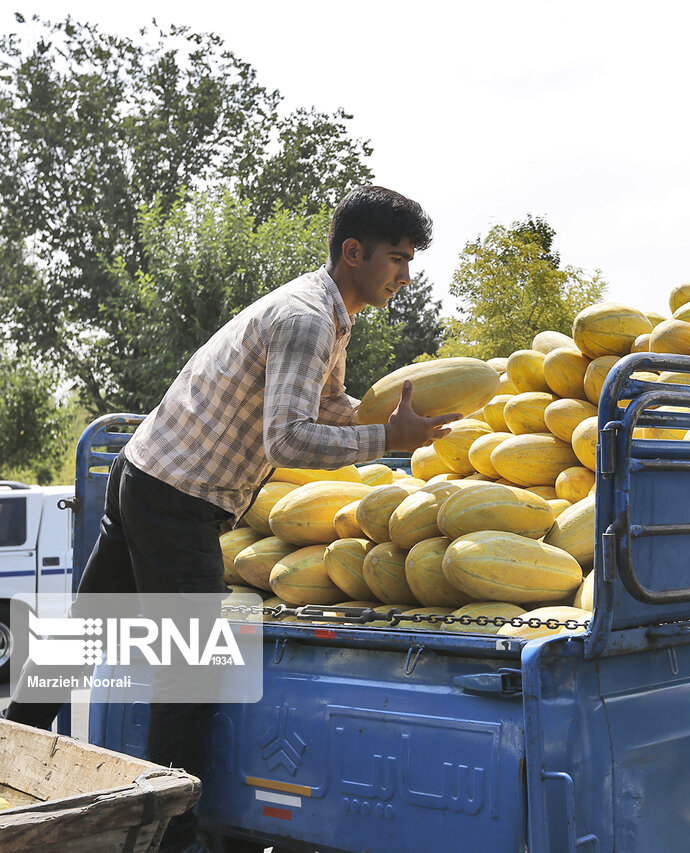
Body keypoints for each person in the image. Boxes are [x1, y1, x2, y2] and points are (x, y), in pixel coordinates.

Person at [3, 185, 459, 853]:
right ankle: (170, 833)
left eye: (412, 259)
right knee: (193, 669)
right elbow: (290, 440)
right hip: (177, 495)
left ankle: (10, 758)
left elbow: (324, 405)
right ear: (354, 251)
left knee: (84, 632)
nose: (406, 275)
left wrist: (383, 420)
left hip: (144, 470)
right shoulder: (307, 318)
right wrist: (386, 443)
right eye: (398, 257)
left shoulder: (328, 314)